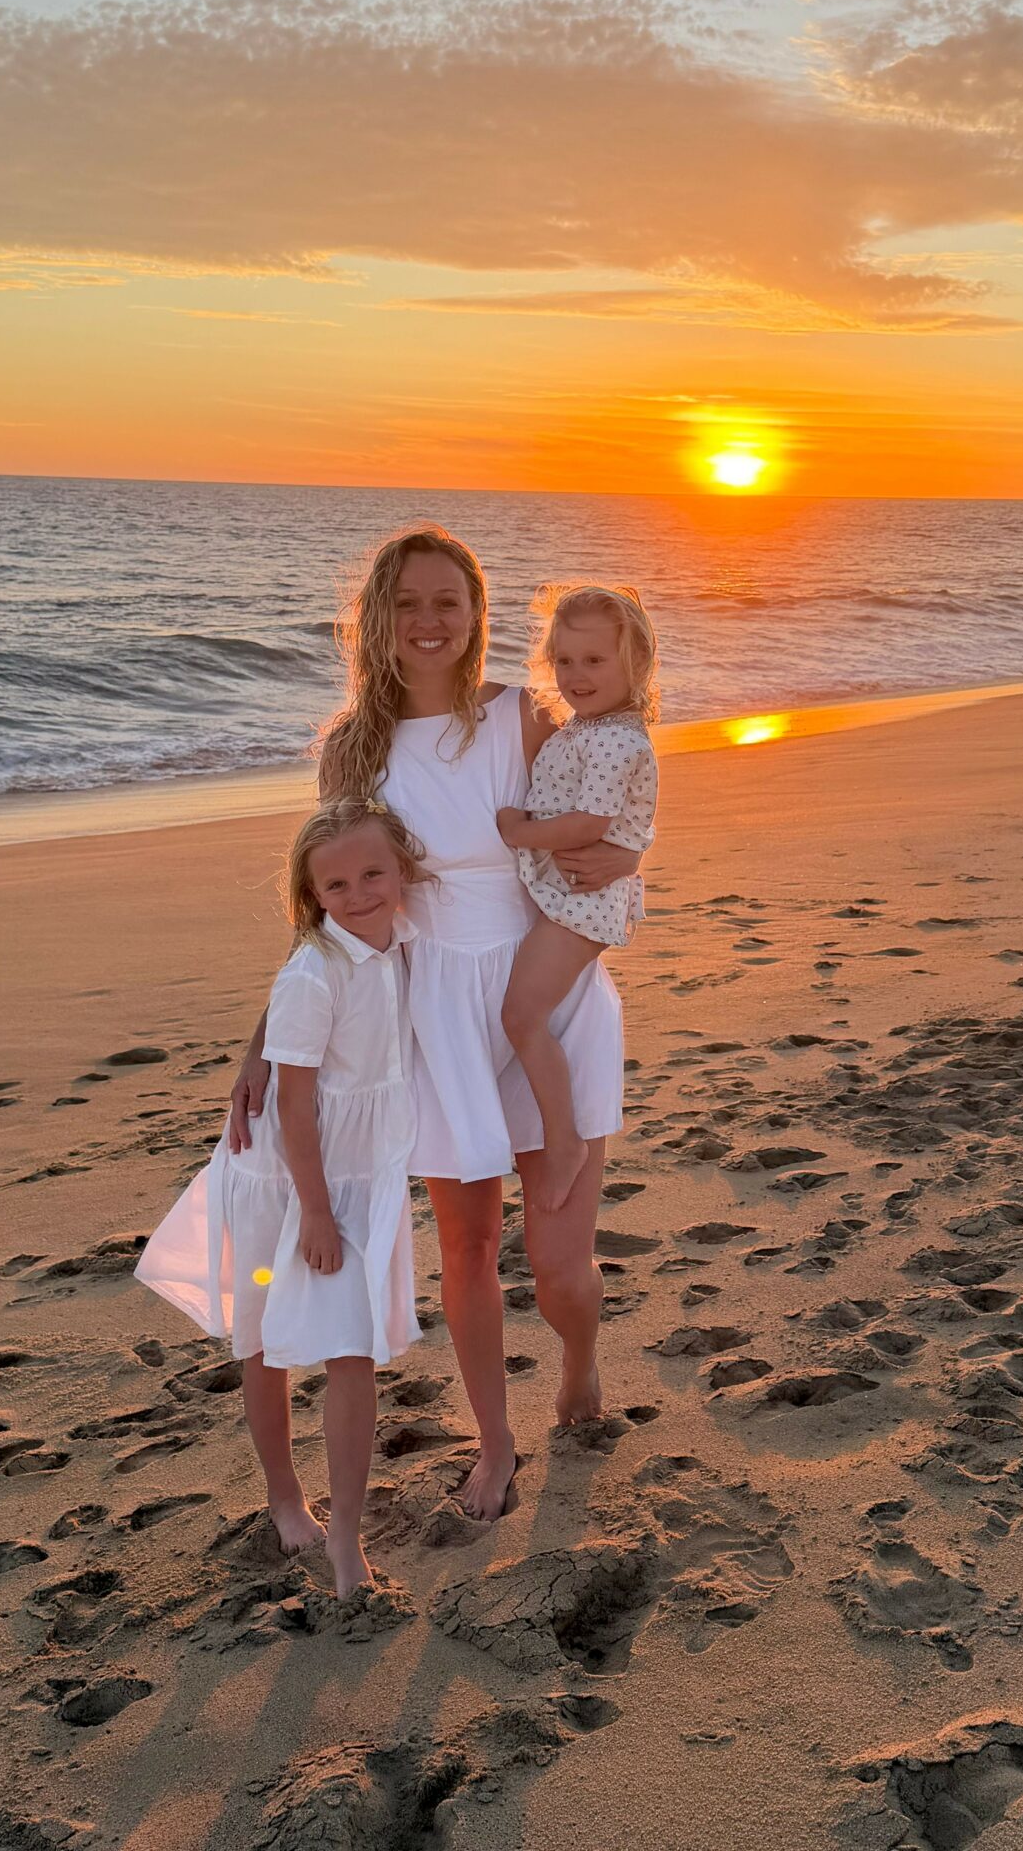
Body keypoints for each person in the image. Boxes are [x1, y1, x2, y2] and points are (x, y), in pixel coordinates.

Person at [229, 528, 640, 1520]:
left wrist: (618, 876)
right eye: (408, 602)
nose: (428, 621)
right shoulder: (351, 750)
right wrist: (263, 1041)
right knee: (465, 1246)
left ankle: (581, 1356)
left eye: (447, 601)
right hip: (434, 1006)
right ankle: (496, 1443)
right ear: (379, 615)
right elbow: (330, 906)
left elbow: (602, 821)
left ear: (475, 612)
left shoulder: (519, 715)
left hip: (546, 989)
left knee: (558, 1266)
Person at [135, 796, 428, 1598]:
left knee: (351, 1349)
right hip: (284, 1189)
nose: (361, 892)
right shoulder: (313, 974)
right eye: (337, 885)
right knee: (263, 1344)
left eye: (374, 873)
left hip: (360, 1180)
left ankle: (348, 1540)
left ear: (403, 869)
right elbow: (295, 1106)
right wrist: (318, 1213)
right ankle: (285, 1496)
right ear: (313, 899)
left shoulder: (405, 943)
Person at [496, 584, 659, 1208]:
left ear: (635, 666)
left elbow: (593, 822)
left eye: (595, 661)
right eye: (564, 661)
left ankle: (563, 1142)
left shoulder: (616, 738)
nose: (575, 675)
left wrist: (521, 833)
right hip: (572, 897)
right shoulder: (589, 727)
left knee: (521, 1016)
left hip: (583, 904)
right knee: (526, 1014)